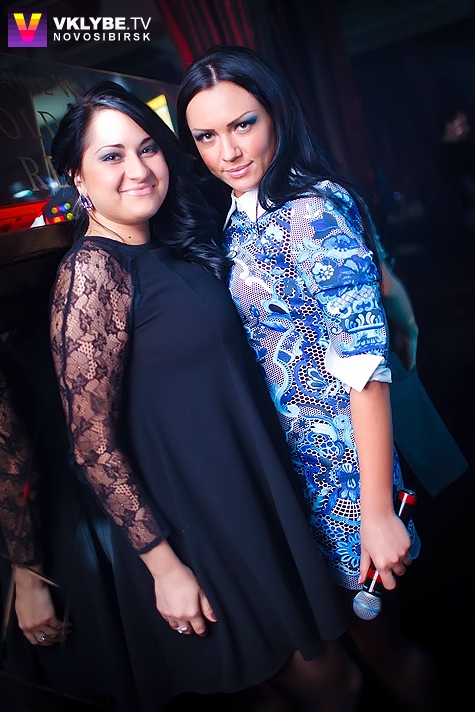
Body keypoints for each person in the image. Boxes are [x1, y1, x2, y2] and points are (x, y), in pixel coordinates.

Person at [48, 80, 362, 712]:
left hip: (253, 494)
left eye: (148, 148)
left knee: (300, 691)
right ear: (77, 176)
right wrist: (164, 566)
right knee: (332, 686)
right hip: (197, 524)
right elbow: (90, 445)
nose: (138, 169)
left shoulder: (172, 246)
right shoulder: (92, 271)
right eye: (111, 156)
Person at [177, 45, 437, 711]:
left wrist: (375, 510)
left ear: (275, 114)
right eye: (206, 136)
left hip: (347, 479)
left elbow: (364, 370)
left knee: (384, 652)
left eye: (243, 124)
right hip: (295, 476)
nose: (228, 151)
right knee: (353, 650)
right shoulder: (241, 213)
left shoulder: (308, 210)